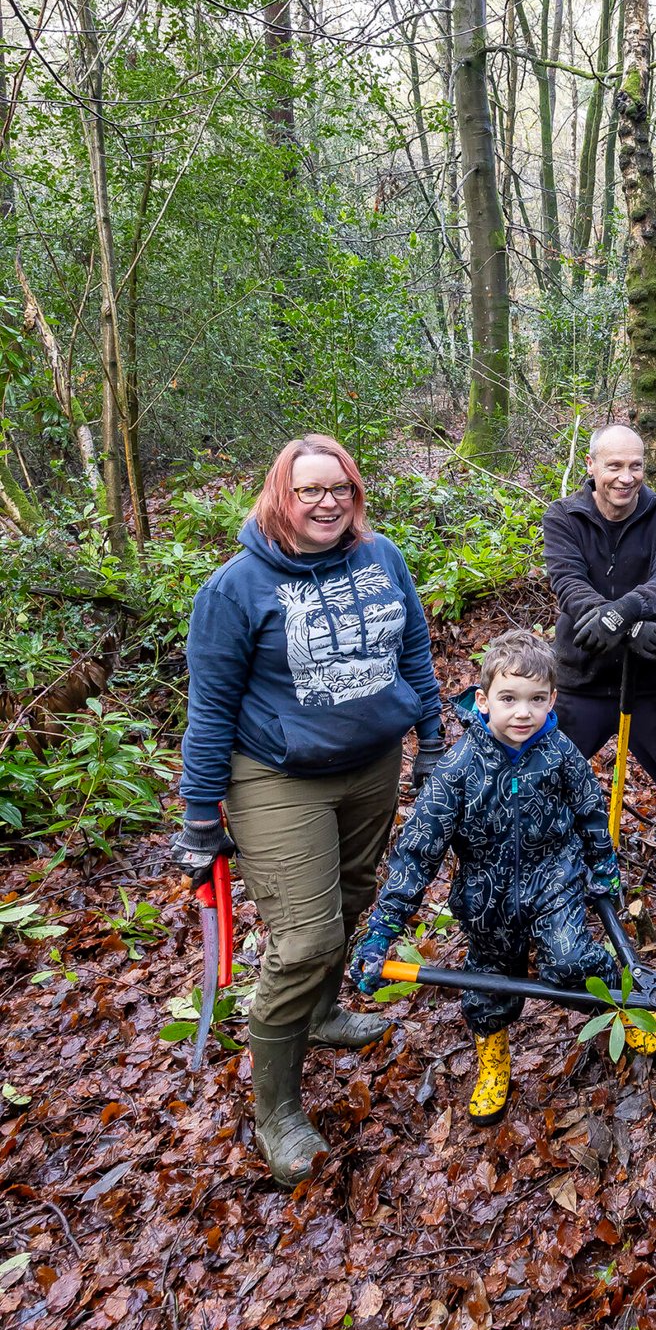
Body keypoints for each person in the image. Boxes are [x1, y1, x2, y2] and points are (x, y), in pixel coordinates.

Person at [172, 434, 444, 1188]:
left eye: (341, 489)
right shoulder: (235, 588)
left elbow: (413, 647)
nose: (328, 503)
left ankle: (323, 1013)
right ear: (280, 497)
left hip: (371, 763)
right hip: (278, 775)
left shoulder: (381, 556)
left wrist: (433, 737)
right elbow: (211, 708)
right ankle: (278, 1111)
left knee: (356, 894)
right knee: (304, 936)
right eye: (310, 491)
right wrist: (199, 817)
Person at [350, 630, 621, 1129]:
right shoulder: (457, 770)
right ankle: (494, 1058)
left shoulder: (561, 754)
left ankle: (622, 1001)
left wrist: (602, 866)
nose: (524, 713)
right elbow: (417, 853)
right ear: (483, 700)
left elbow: (589, 811)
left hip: (553, 880)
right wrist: (382, 932)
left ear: (553, 700)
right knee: (490, 985)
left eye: (537, 700)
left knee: (570, 960)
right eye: (509, 699)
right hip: (487, 897)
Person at [542, 423, 656, 846]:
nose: (626, 477)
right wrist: (625, 629)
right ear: (591, 466)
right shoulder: (563, 516)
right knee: (547, 775)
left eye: (636, 466)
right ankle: (536, 859)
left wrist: (624, 612)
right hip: (581, 678)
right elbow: (568, 582)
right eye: (615, 466)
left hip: (653, 679)